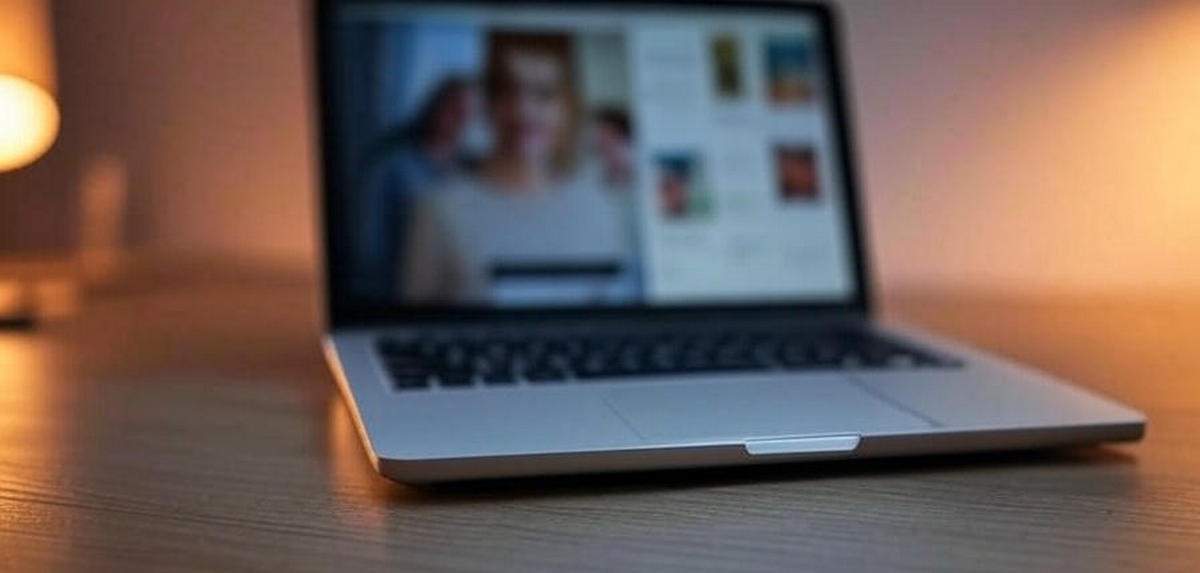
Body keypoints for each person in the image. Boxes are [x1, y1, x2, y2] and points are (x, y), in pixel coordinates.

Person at [402, 32, 639, 304]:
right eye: (508, 92)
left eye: (544, 94)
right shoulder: (439, 208)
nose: (523, 110)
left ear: (566, 108)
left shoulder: (600, 210)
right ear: (488, 105)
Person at [353, 77, 476, 301]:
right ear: (435, 107)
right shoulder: (393, 167)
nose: (460, 118)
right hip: (400, 291)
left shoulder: (471, 172)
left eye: (468, 113)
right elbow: (371, 243)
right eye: (455, 108)